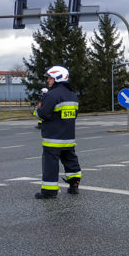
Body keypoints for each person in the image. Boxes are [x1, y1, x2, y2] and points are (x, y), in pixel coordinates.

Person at [35, 66, 81, 199]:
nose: (48, 80)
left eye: (50, 78)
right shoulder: (73, 95)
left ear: (57, 78)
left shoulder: (51, 95)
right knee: (71, 161)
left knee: (50, 164)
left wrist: (37, 110)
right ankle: (74, 186)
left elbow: (43, 114)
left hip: (53, 138)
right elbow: (74, 115)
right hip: (68, 137)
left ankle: (49, 191)